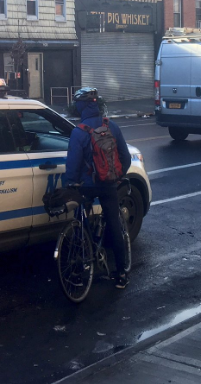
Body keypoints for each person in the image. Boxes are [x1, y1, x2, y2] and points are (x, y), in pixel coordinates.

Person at [64, 87, 132, 289]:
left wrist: (70, 184)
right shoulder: (112, 127)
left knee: (80, 222)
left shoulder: (79, 132)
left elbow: (73, 165)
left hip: (87, 186)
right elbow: (125, 158)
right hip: (108, 184)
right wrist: (116, 177)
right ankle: (121, 274)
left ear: (81, 107)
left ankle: (79, 270)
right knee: (114, 225)